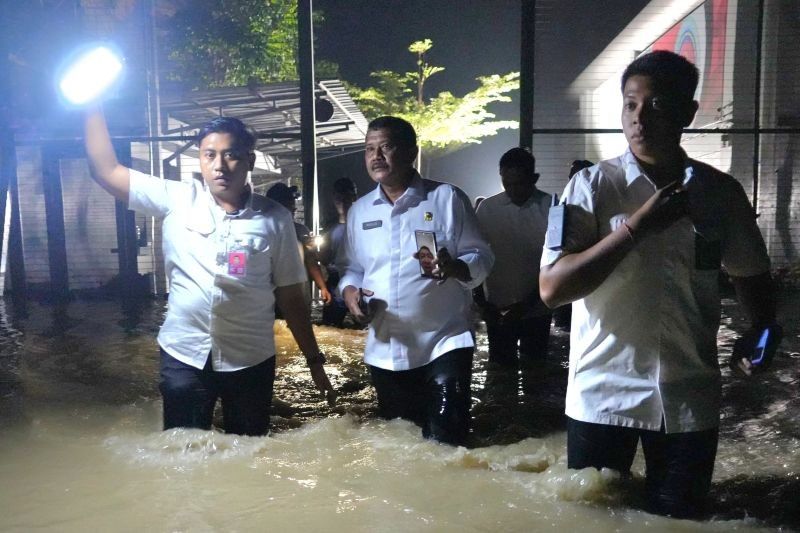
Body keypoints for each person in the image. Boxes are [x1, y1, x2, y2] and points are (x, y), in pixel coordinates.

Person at [539, 51, 779, 518]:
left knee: (682, 519)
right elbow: (552, 288)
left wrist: (764, 330)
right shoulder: (589, 188)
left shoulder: (720, 193)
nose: (639, 118)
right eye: (630, 104)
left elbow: (752, 275)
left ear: (688, 112)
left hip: (689, 395)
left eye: (655, 104)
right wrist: (635, 228)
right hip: (602, 394)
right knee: (592, 522)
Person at [83, 109, 334, 436]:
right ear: (200, 160)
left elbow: (290, 296)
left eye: (230, 155)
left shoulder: (275, 219)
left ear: (249, 160)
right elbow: (106, 171)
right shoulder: (177, 199)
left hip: (251, 360)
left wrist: (314, 361)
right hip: (185, 356)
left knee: (248, 455)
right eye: (209, 155)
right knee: (182, 453)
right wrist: (92, 106)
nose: (219, 165)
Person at [338, 116, 494, 445]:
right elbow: (351, 268)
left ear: (411, 152)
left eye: (386, 147)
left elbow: (482, 256)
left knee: (446, 443)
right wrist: (350, 292)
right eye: (369, 149)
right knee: (402, 446)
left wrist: (456, 268)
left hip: (444, 342)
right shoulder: (360, 211)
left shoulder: (447, 199)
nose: (375, 156)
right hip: (386, 348)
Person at [476, 148, 553, 368]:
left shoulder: (550, 207)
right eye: (506, 184)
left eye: (519, 184)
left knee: (536, 373)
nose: (512, 190)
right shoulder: (488, 208)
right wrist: (481, 302)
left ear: (534, 178)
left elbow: (556, 261)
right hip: (497, 309)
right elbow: (476, 255)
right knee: (500, 372)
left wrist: (528, 303)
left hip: (537, 309)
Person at [266, 182, 332, 307]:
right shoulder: (263, 232)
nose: (293, 210)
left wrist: (322, 287)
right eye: (289, 206)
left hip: (300, 295)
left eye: (293, 207)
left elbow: (311, 261)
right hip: (272, 299)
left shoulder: (301, 231)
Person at [552, 159, 594, 331]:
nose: (575, 180)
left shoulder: (599, 204)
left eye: (578, 175)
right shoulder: (561, 203)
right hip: (563, 273)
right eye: (572, 176)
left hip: (587, 273)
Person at [319, 177, 358, 327]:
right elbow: (325, 258)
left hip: (360, 281)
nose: (341, 200)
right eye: (338, 196)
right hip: (335, 281)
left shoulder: (363, 223)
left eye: (345, 195)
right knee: (329, 327)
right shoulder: (330, 227)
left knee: (363, 326)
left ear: (354, 197)